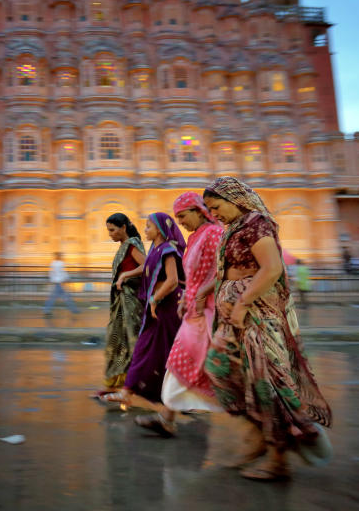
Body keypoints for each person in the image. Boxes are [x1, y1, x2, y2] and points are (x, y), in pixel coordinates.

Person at [203, 176, 332, 481]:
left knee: (264, 384)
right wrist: (205, 291)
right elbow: (229, 270)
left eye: (216, 206)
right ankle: (261, 435)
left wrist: (244, 302)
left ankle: (277, 457)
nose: (214, 213)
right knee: (218, 370)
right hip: (235, 317)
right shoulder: (233, 229)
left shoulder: (257, 223)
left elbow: (272, 268)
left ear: (234, 198)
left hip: (257, 316)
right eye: (209, 209)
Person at [102, 213, 185, 438]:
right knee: (144, 348)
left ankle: (173, 398)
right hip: (154, 305)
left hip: (165, 306)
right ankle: (130, 391)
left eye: (149, 226)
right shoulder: (156, 249)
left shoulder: (167, 249)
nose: (144, 229)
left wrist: (155, 299)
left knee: (163, 351)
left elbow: (173, 280)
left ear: (159, 228)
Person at [155, 191, 225, 427]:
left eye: (183, 216)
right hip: (194, 312)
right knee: (180, 361)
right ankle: (167, 417)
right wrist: (186, 297)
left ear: (198, 211)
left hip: (211, 312)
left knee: (195, 363)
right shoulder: (196, 237)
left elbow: (227, 271)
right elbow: (193, 276)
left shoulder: (215, 234)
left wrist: (203, 292)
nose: (180, 222)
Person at [96, 213, 146, 397]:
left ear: (123, 227)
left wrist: (125, 275)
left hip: (131, 302)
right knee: (117, 340)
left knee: (130, 342)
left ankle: (134, 385)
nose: (110, 234)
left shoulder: (132, 244)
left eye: (112, 230)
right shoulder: (124, 246)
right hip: (122, 301)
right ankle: (116, 383)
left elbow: (146, 266)